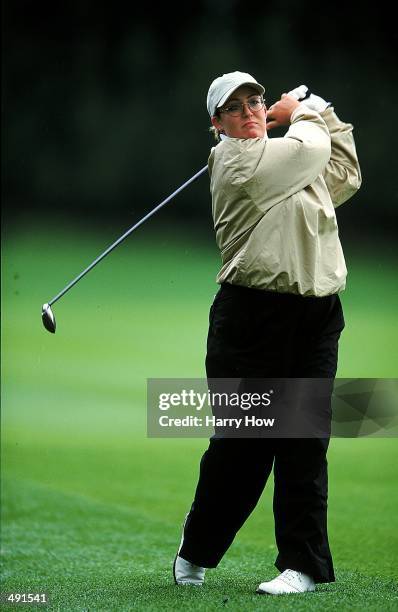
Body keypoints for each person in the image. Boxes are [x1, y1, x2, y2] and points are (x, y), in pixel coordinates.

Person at [172, 71, 361, 595]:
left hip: (316, 318)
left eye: (256, 101)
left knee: (304, 445)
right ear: (217, 126)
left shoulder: (289, 158)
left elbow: (342, 170)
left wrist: (318, 109)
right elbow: (309, 152)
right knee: (242, 448)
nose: (251, 111)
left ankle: (301, 566)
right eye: (235, 108)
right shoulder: (236, 162)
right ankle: (196, 550)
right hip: (251, 321)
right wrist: (299, 111)